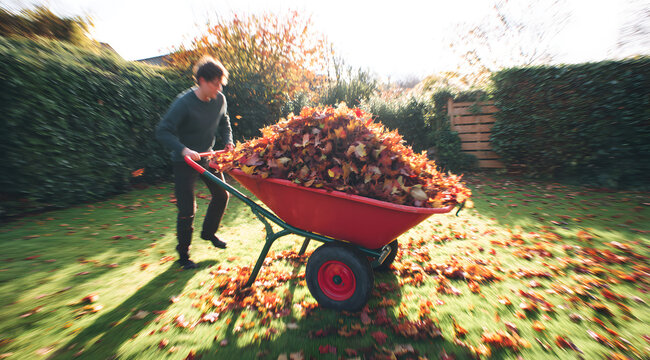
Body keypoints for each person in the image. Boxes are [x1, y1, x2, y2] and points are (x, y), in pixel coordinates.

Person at [156, 55, 234, 270]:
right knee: (187, 209)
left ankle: (209, 234)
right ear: (201, 80)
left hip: (206, 157)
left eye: (221, 84)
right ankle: (183, 255)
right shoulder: (184, 103)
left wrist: (228, 141)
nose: (219, 88)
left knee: (222, 195)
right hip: (184, 161)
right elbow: (163, 131)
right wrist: (183, 150)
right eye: (215, 83)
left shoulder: (220, 100)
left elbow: (225, 121)